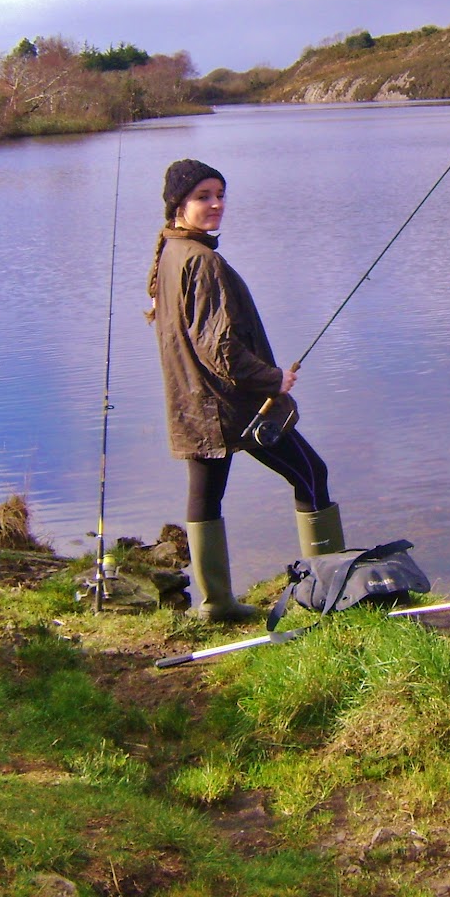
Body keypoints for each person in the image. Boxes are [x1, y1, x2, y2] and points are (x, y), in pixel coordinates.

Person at [145, 158, 346, 622]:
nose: (216, 204)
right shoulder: (203, 261)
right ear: (179, 204)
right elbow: (223, 352)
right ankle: (333, 597)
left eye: (220, 194)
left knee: (206, 494)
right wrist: (274, 379)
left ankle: (216, 605)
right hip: (231, 406)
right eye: (203, 197)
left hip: (190, 404)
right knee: (311, 473)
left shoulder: (170, 253)